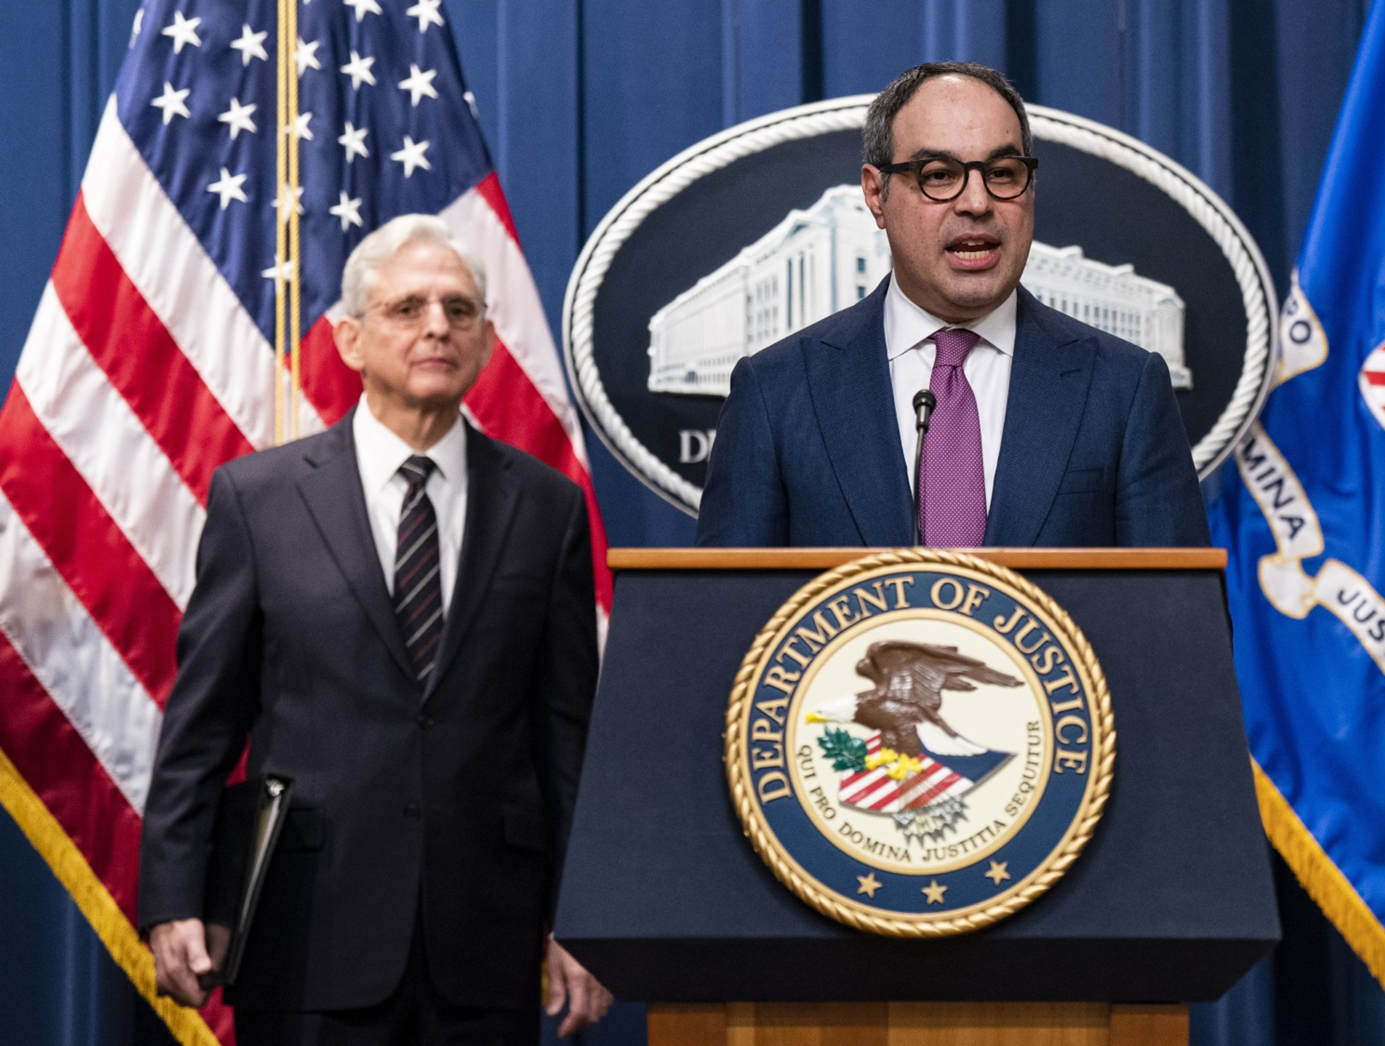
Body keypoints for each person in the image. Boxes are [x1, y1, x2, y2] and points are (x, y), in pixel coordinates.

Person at [138, 215, 613, 1043]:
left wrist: (585, 916)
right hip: (307, 935)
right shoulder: (259, 500)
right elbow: (201, 726)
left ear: (489, 342)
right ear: (350, 339)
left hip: (485, 944)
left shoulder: (549, 508)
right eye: (409, 308)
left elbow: (564, 740)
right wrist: (174, 898)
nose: (438, 326)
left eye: (460, 310)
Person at [694, 62, 1209, 548]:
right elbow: (728, 629)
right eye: (939, 175)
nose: (978, 202)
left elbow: (1177, 626)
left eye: (1003, 172)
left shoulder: (1124, 389)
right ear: (877, 194)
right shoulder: (775, 394)